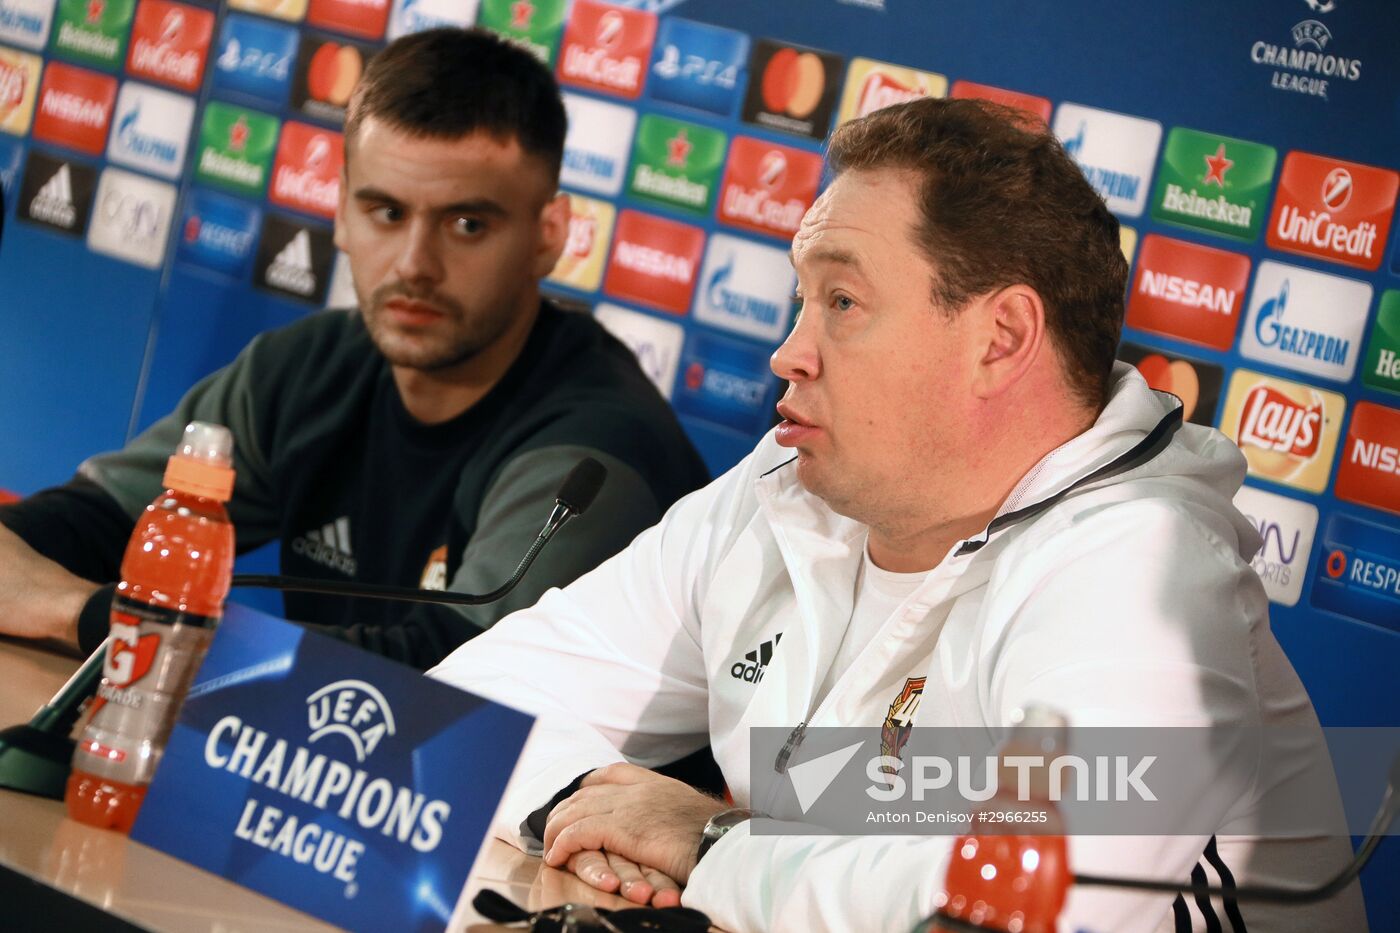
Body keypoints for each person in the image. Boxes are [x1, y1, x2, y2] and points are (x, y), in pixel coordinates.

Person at [430, 98, 1367, 932]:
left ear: (1000, 339)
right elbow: (458, 708)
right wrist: (575, 805)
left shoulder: (1139, 557)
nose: (789, 354)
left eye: (842, 301)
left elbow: (1026, 897)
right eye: (803, 300)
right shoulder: (791, 488)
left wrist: (714, 844)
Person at [0, 28, 709, 671]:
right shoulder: (306, 367)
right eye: (387, 212)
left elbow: (455, 678)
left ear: (550, 235)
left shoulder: (595, 449)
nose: (414, 264)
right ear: (339, 212)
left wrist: (82, 613)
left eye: (467, 224)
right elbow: (90, 525)